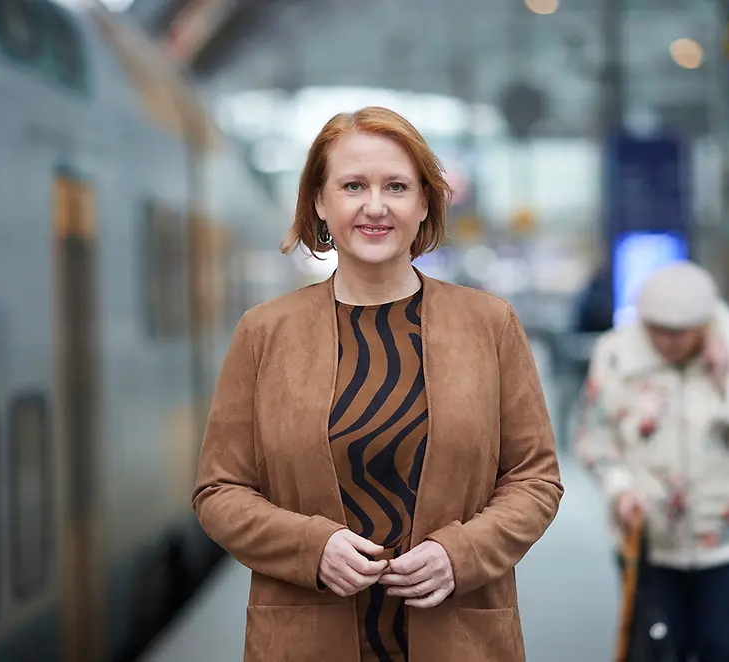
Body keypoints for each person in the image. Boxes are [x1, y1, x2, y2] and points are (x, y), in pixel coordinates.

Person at [192, 106, 563, 662]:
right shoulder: (264, 333)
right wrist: (309, 548)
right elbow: (218, 492)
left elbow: (535, 479)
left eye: (396, 186)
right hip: (304, 642)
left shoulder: (489, 323)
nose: (375, 206)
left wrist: (460, 554)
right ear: (320, 201)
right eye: (352, 185)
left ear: (423, 204)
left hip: (461, 639)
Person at [574, 260, 729, 662]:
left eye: (678, 333)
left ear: (705, 322)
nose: (665, 341)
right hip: (649, 542)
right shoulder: (615, 353)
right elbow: (594, 440)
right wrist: (621, 489)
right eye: (655, 328)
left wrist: (728, 386)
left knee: (727, 651)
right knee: (658, 651)